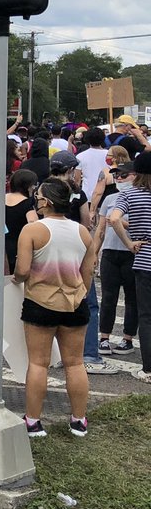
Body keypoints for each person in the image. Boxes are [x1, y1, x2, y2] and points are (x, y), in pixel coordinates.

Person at [14, 178, 95, 438]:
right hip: (75, 303)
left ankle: (33, 421)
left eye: (37, 197)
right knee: (75, 363)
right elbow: (88, 271)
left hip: (40, 302)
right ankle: (79, 419)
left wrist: (16, 278)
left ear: (46, 201)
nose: (35, 200)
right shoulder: (82, 232)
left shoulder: (33, 230)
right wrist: (79, 291)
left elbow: (23, 270)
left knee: (38, 363)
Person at [108, 151, 151, 384]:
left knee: (146, 316)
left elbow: (114, 219)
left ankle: (149, 368)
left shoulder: (130, 195)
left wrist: (129, 242)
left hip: (144, 257)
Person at [92, 162, 138, 355]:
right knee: (108, 297)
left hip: (133, 253)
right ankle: (104, 337)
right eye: (117, 176)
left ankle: (127, 338)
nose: (119, 178)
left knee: (132, 298)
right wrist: (94, 252)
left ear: (135, 175)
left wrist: (120, 223)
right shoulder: (110, 198)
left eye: (123, 175)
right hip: (110, 252)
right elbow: (100, 229)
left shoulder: (140, 197)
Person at [4, 169, 39, 273]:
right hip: (20, 248)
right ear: (28, 186)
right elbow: (33, 225)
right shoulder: (28, 203)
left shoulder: (0, 199)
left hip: (0, 247)